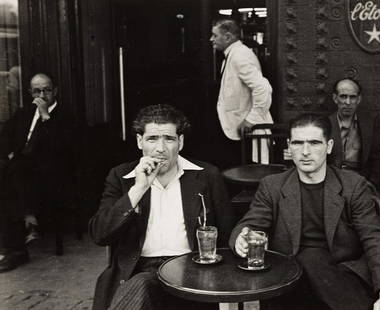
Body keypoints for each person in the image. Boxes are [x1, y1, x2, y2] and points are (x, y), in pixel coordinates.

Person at [229, 114, 380, 310]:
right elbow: (251, 224)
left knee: (312, 259)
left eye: (314, 143)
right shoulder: (273, 186)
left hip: (342, 275)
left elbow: (375, 240)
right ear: (289, 146)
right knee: (307, 259)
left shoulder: (353, 185)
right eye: (298, 143)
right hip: (291, 281)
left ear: (329, 146)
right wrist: (241, 237)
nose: (305, 152)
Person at [89, 104, 229, 310]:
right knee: (142, 284)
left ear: (180, 142)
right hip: (139, 270)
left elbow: (225, 233)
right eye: (152, 138)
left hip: (191, 270)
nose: (160, 148)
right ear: (140, 142)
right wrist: (138, 189)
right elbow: (100, 234)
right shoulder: (121, 177)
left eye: (169, 138)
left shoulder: (206, 175)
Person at [0, 73, 75, 272]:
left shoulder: (65, 115)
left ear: (55, 91)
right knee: (9, 173)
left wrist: (45, 116)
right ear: (29, 93)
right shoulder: (23, 112)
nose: (42, 95)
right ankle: (26, 222)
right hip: (22, 171)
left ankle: (17, 249)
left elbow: (62, 148)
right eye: (37, 91)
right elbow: (4, 136)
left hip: (50, 174)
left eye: (47, 90)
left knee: (12, 175)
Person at [210, 18, 273, 166]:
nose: (211, 39)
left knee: (243, 170)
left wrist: (251, 120)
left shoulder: (240, 56)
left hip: (245, 131)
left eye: (215, 35)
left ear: (227, 37)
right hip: (235, 128)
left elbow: (263, 88)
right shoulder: (233, 54)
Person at [328, 78, 380, 189]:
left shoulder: (370, 125)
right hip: (332, 182)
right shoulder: (325, 124)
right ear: (335, 98)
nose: (348, 102)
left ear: (359, 99)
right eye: (343, 96)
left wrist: (372, 184)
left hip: (361, 182)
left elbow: (377, 159)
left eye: (352, 97)